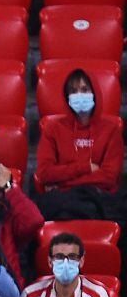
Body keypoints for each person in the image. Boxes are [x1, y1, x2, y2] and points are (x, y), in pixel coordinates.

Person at [35, 68, 125, 216]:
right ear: (67, 96)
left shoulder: (111, 130)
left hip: (98, 199)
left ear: (94, 93)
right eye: (74, 91)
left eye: (84, 89)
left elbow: (109, 177)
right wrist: (86, 168)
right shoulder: (53, 128)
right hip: (62, 201)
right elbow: (44, 173)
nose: (79, 95)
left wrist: (63, 184)